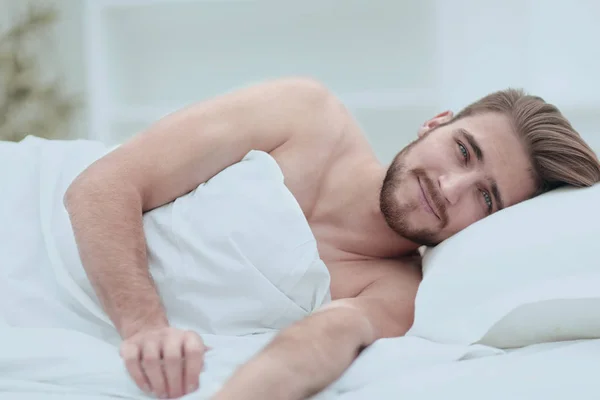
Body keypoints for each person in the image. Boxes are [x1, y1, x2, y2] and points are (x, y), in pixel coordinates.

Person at [63, 77, 600, 399]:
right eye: (463, 151)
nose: (450, 186)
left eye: (486, 198)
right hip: (49, 222)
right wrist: (145, 327)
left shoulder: (397, 293)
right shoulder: (306, 114)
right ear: (435, 123)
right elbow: (102, 186)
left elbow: (314, 345)